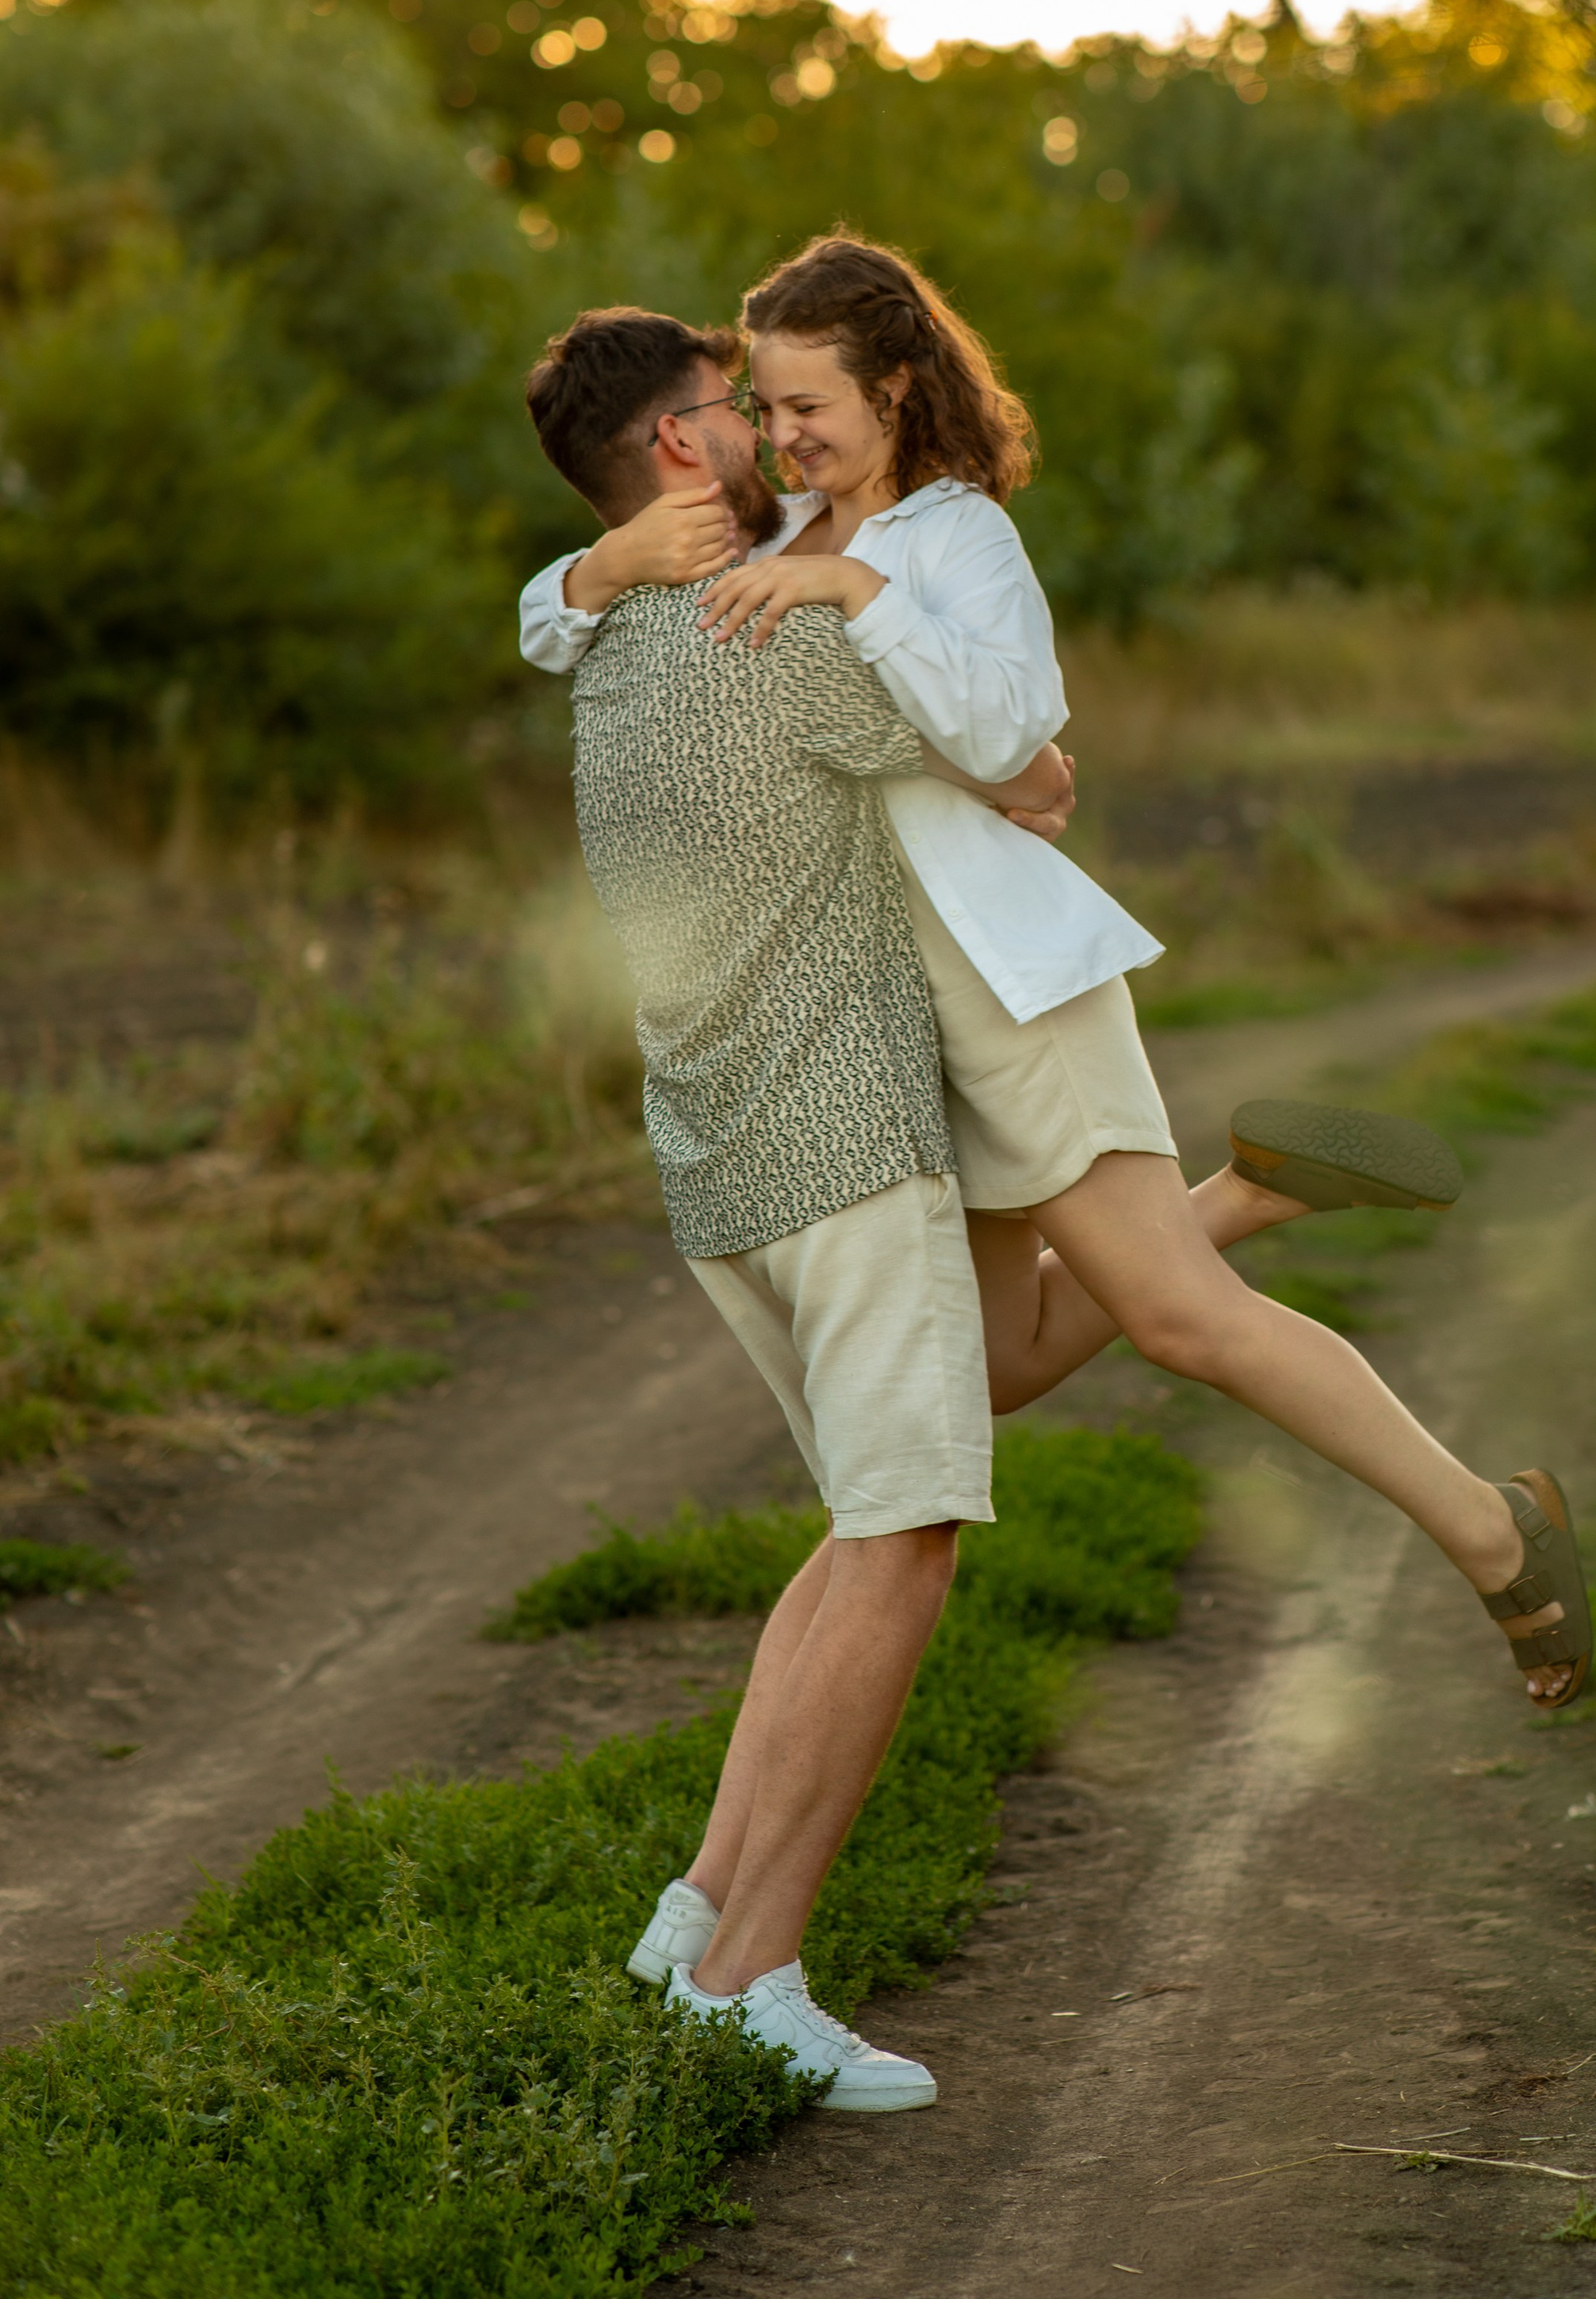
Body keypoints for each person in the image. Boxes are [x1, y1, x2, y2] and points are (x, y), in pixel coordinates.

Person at [521, 247, 1593, 1730]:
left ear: (895, 387)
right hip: (881, 1029)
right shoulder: (775, 528)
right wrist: (589, 568)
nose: (783, 437)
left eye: (809, 404)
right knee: (1006, 1366)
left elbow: (1014, 723)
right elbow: (558, 620)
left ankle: (1496, 1532)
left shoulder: (957, 538)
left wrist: (855, 592)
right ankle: (1242, 1194)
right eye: (762, 410)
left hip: (1010, 985)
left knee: (1180, 1323)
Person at [525, 305, 1077, 2116]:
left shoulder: (607, 636)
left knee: (854, 1529)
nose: (767, 433)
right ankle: (755, 1973)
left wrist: (595, 567)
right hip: (844, 1151)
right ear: (679, 450)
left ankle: (694, 1915)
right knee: (906, 1540)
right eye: (729, 411)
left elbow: (559, 606)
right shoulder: (766, 624)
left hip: (715, 1168)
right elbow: (1021, 764)